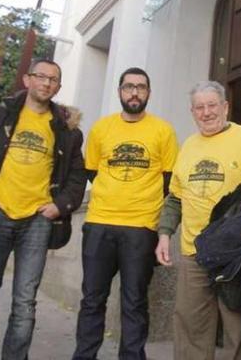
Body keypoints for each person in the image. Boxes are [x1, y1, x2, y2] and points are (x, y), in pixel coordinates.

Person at [0, 59, 87, 360]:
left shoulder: (66, 129)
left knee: (25, 303)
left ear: (58, 87)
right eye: (41, 77)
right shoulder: (0, 116)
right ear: (28, 80)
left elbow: (77, 176)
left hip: (37, 222)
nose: (46, 83)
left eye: (53, 80)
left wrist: (60, 206)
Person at [73, 67, 178, 360]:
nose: (135, 92)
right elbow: (92, 171)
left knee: (134, 302)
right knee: (92, 300)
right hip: (99, 224)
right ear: (119, 91)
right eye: (129, 87)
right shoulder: (101, 129)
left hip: (141, 228)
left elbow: (169, 179)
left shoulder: (163, 130)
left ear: (148, 93)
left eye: (141, 87)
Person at [155, 80, 241, 360]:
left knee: (240, 329)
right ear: (192, 112)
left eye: (212, 105)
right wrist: (164, 234)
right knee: (190, 326)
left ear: (225, 107)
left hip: (235, 255)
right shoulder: (188, 146)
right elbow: (175, 198)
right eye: (199, 107)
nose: (207, 112)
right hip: (193, 252)